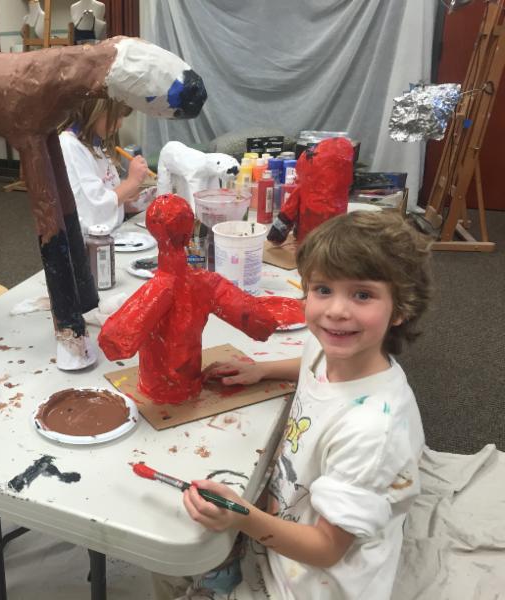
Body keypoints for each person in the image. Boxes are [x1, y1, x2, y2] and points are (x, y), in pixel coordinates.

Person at [158, 210, 433, 600]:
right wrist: (263, 370)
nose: (336, 310)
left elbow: (327, 548)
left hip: (316, 580)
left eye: (362, 295)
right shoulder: (327, 348)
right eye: (323, 289)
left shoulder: (373, 431)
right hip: (288, 518)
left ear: (402, 308)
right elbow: (307, 360)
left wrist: (242, 518)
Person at [58, 97, 150, 234]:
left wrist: (125, 204)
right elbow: (94, 208)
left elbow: (106, 196)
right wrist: (132, 182)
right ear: (95, 111)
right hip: (89, 241)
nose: (120, 124)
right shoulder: (70, 146)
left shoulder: (96, 144)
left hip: (109, 234)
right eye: (116, 116)